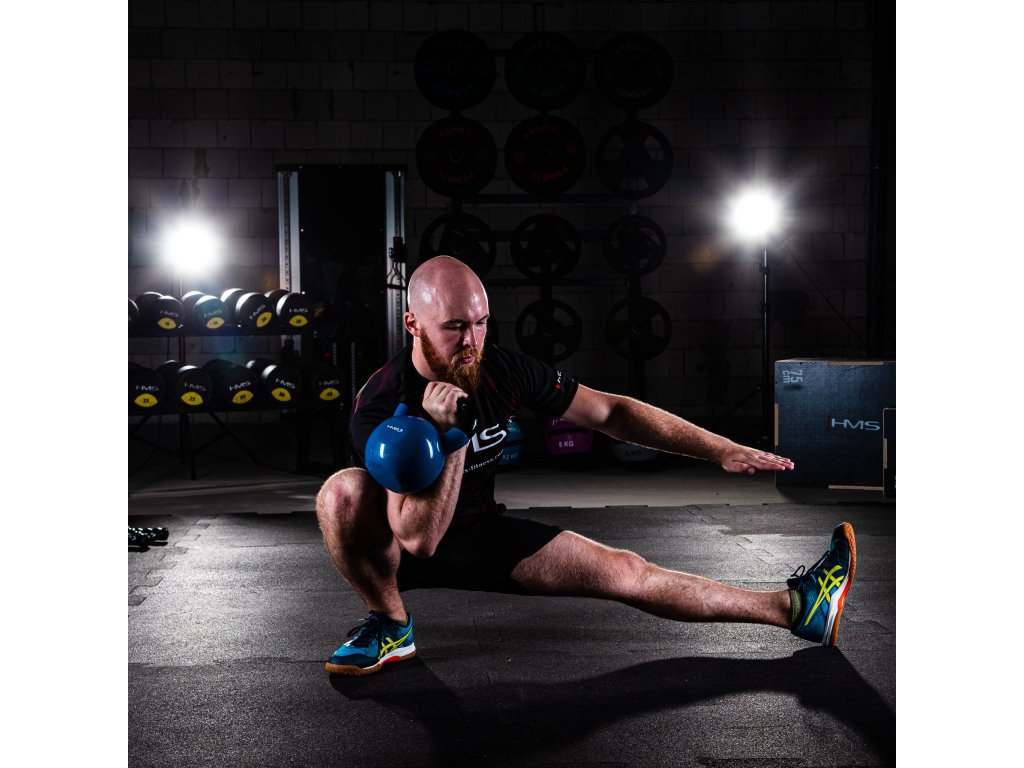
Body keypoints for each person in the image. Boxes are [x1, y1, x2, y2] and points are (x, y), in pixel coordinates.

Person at [316, 255, 856, 676]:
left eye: (481, 323)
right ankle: (390, 624)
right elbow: (420, 539)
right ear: (412, 323)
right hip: (399, 552)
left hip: (481, 534)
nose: (472, 342)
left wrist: (718, 448)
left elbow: (610, 412)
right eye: (455, 327)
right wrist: (450, 434)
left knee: (628, 571)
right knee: (343, 492)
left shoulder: (501, 368)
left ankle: (797, 608)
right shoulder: (382, 403)